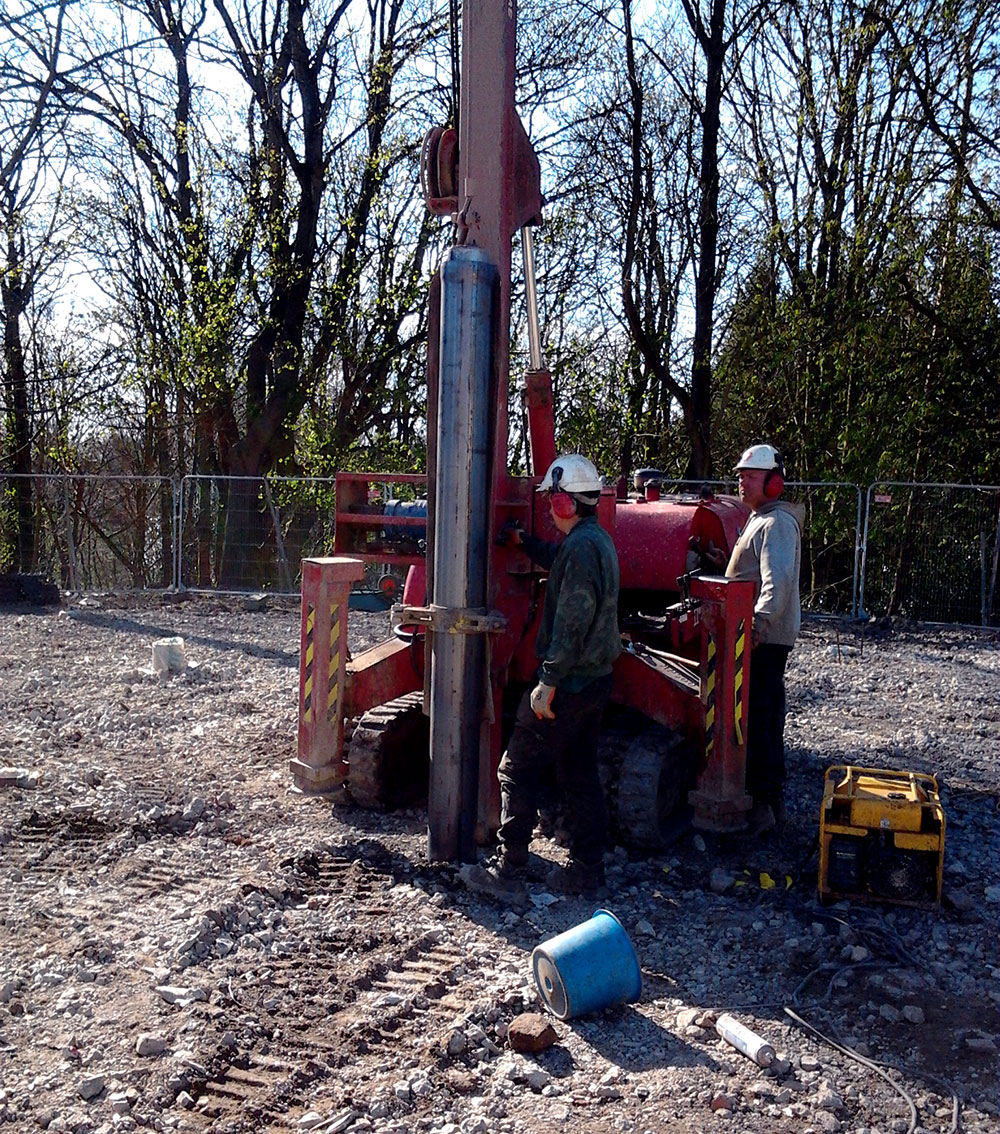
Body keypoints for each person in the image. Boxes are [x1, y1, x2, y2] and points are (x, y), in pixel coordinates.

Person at [468, 454, 621, 900]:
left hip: (569, 683)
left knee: (516, 767)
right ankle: (587, 869)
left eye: (554, 498)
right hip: (595, 680)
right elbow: (561, 559)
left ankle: (509, 870)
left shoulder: (580, 548)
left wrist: (547, 683)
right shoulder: (594, 540)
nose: (551, 505)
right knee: (578, 773)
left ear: (569, 503)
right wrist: (525, 543)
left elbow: (573, 621)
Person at [713, 444, 803, 836]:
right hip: (757, 637)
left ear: (773, 482)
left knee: (757, 719)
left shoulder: (775, 523)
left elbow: (777, 582)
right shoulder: (761, 520)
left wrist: (757, 627)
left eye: (748, 477)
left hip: (762, 640)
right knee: (764, 715)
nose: (741, 483)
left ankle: (762, 805)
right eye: (740, 476)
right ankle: (771, 802)